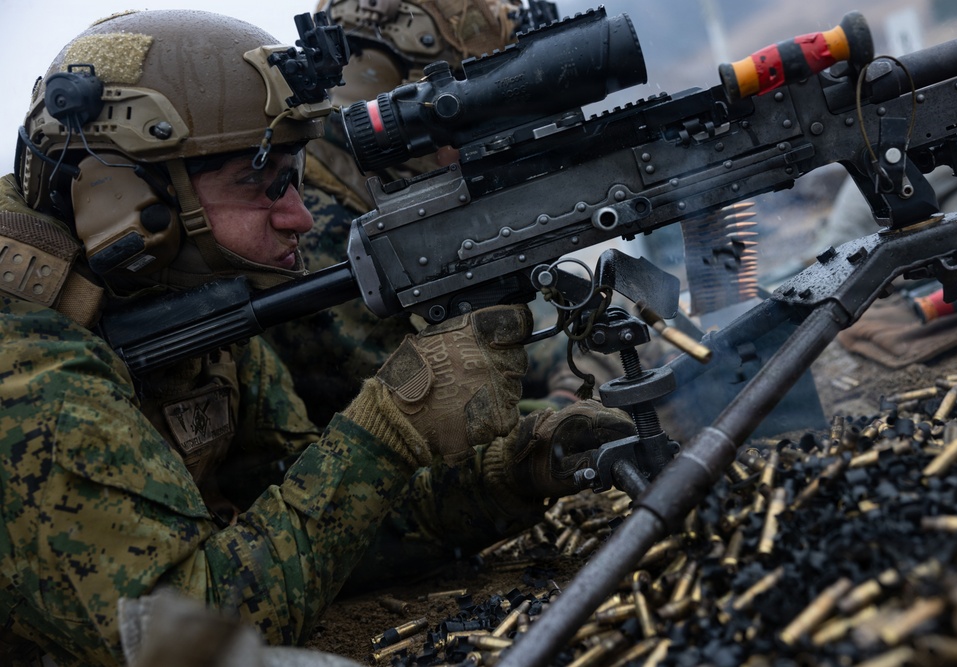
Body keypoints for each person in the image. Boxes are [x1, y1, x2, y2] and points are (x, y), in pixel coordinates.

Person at [0, 10, 635, 666]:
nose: (300, 216)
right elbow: (181, 636)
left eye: (295, 176)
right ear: (121, 192)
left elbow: (315, 517)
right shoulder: (26, 367)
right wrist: (388, 429)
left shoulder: (174, 293)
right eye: (260, 182)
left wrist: (513, 473)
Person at [262, 0, 569, 426]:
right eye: (469, 94)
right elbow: (435, 410)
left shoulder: (382, 194)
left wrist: (570, 358)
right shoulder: (315, 229)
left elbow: (492, 325)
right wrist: (562, 408)